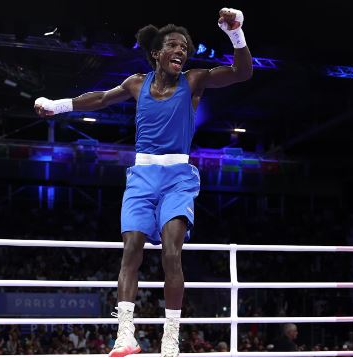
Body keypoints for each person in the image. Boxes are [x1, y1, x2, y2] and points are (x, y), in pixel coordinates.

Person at [34, 7, 252, 357]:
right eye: (175, 46)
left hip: (178, 178)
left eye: (185, 47)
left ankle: (170, 337)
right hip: (142, 177)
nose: (182, 51)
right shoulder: (137, 83)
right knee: (131, 252)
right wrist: (58, 106)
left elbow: (242, 72)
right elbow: (102, 98)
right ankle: (125, 335)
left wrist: (235, 33)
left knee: (171, 253)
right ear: (157, 52)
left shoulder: (194, 80)